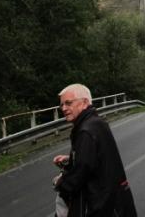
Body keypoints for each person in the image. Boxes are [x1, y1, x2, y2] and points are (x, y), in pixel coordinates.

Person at [53, 84, 137, 217]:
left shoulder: (85, 131)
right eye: (61, 105)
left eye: (68, 103)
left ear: (85, 102)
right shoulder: (96, 123)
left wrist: (61, 183)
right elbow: (98, 156)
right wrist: (71, 158)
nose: (64, 108)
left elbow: (81, 171)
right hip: (115, 201)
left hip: (102, 205)